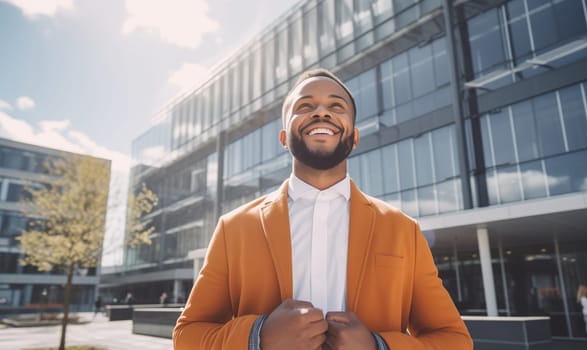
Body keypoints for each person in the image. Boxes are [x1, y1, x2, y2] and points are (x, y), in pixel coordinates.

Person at [173, 68, 472, 349]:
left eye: (336, 106)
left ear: (354, 137)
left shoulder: (403, 229)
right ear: (283, 139)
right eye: (305, 106)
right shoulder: (233, 228)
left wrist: (378, 346)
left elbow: (454, 339)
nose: (321, 111)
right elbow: (188, 334)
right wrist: (258, 338)